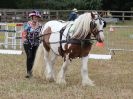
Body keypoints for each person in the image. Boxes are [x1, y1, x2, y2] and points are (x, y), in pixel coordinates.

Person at [23, 10, 42, 78]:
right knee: (29, 57)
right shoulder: (28, 24)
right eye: (35, 17)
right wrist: (24, 39)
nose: (36, 18)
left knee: (34, 57)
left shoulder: (40, 25)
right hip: (28, 43)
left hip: (36, 44)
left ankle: (32, 71)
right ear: (32, 17)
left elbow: (41, 34)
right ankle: (28, 72)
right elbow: (24, 32)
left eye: (37, 17)